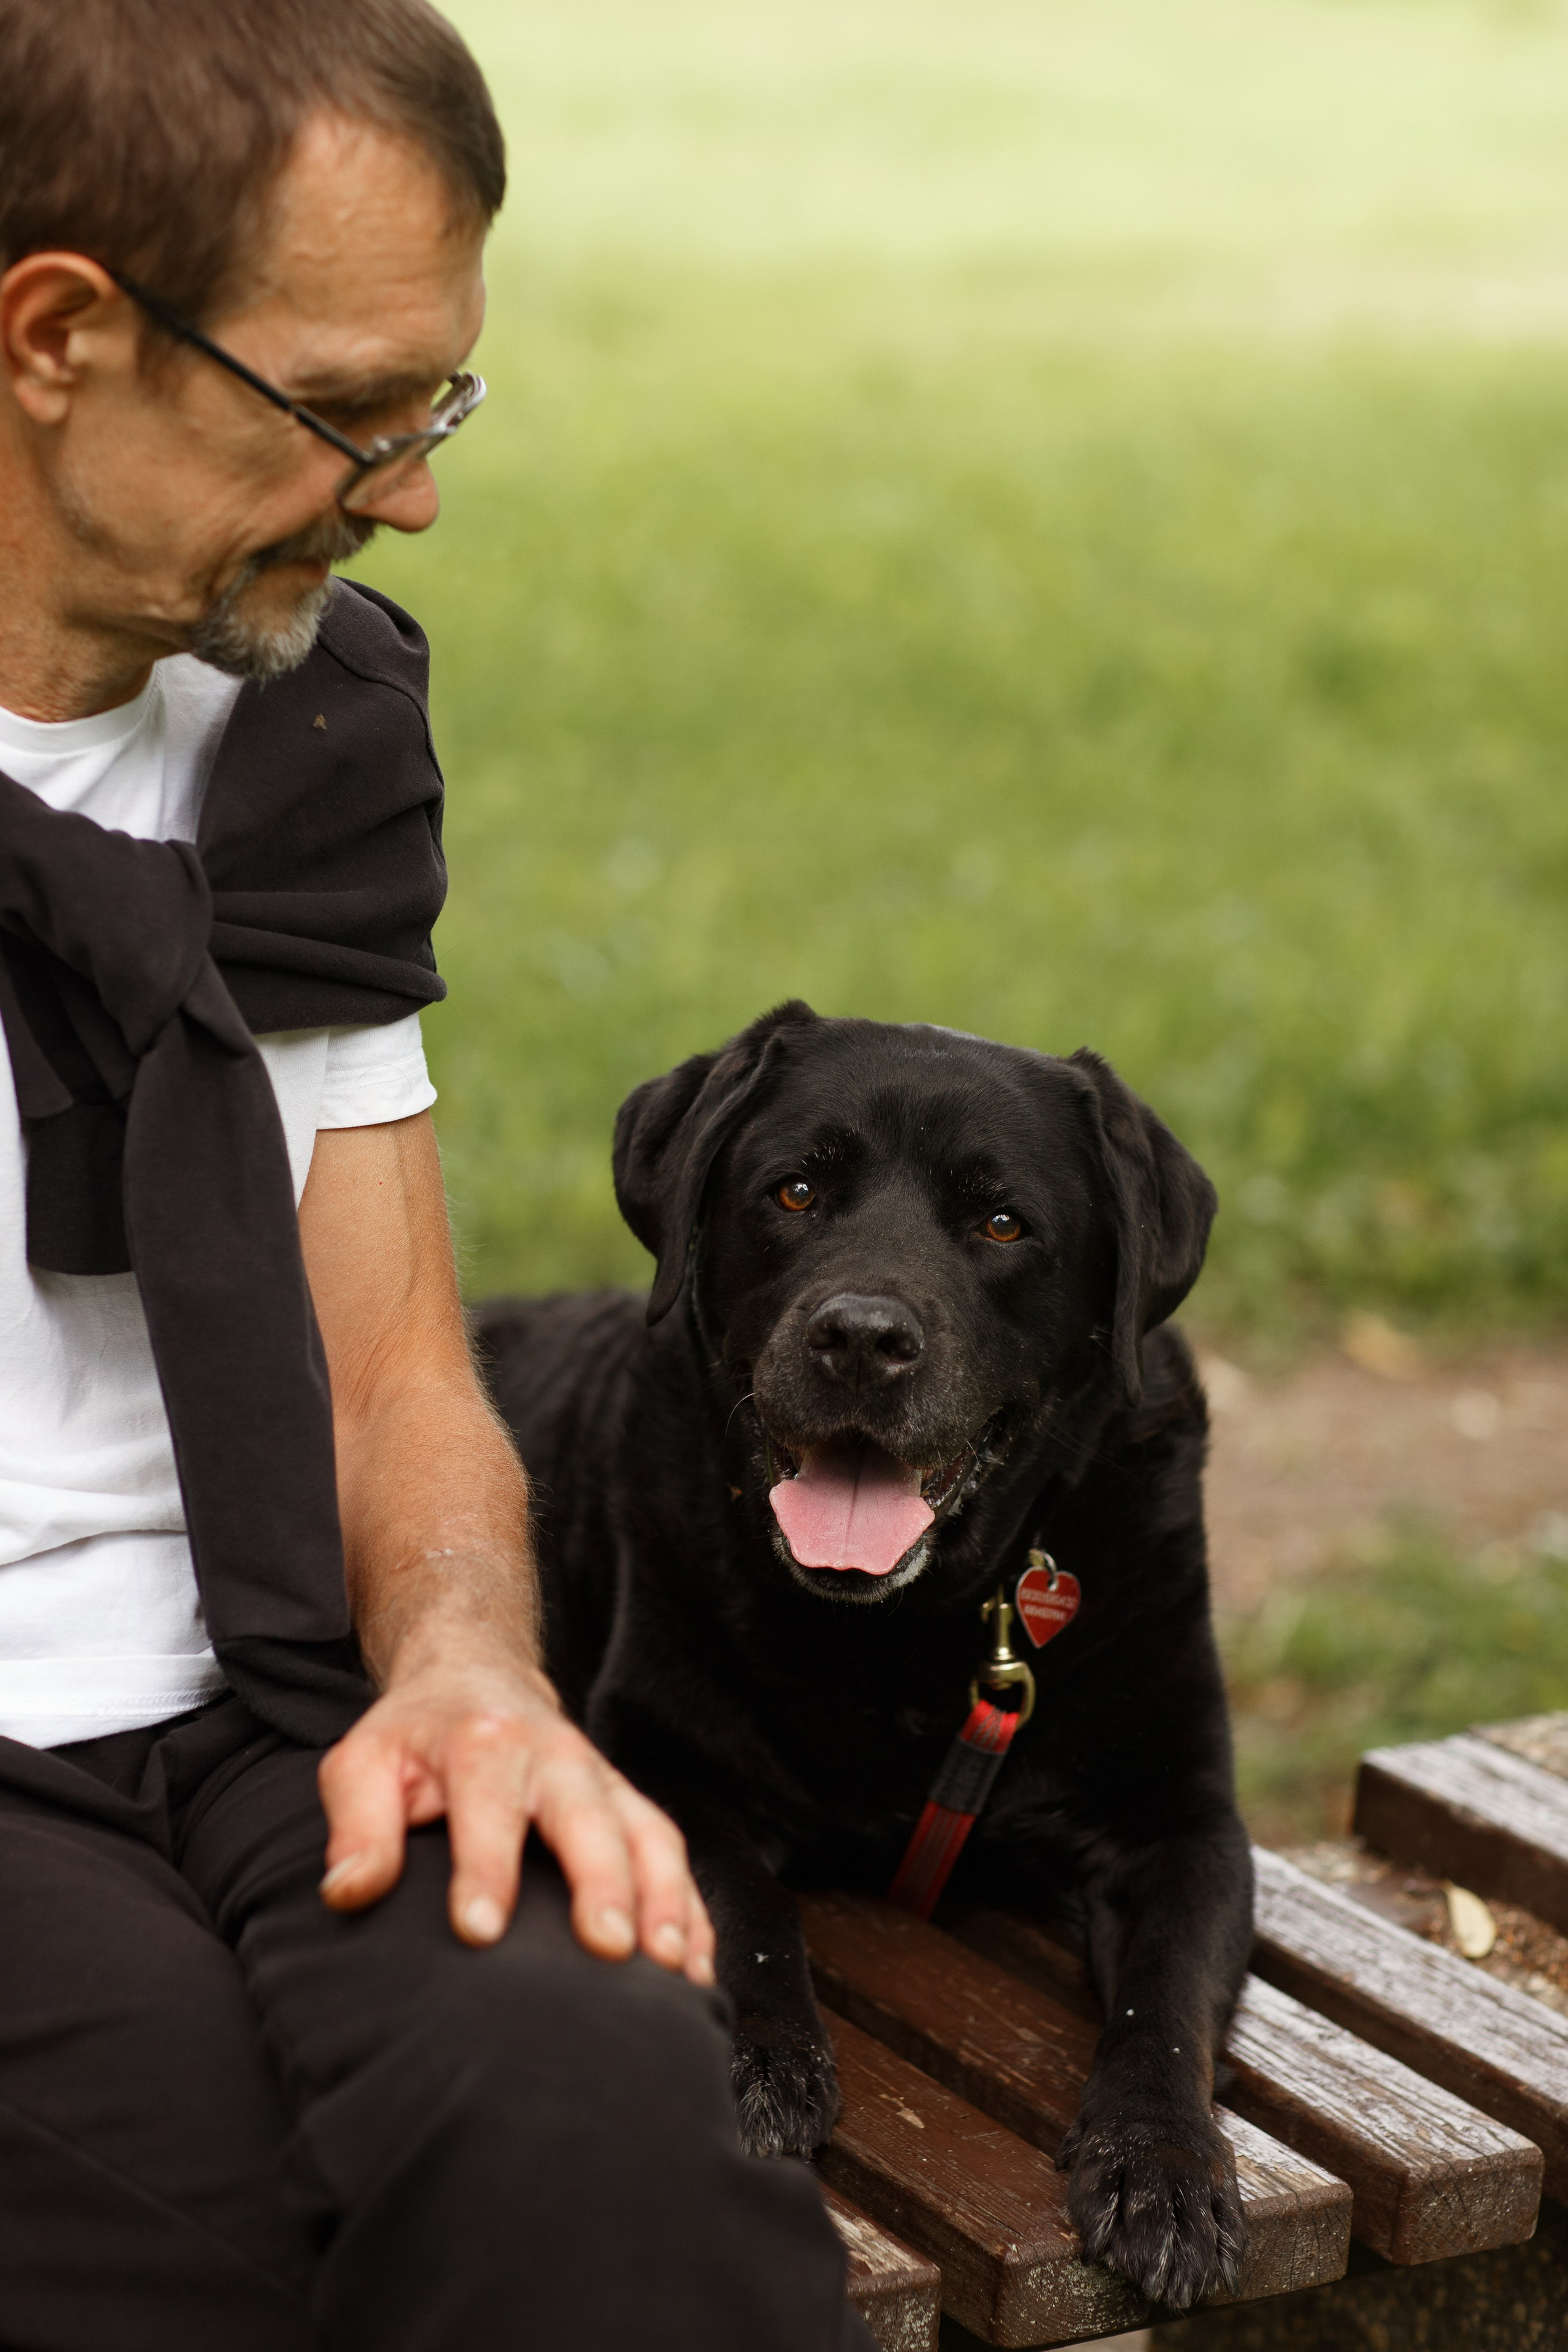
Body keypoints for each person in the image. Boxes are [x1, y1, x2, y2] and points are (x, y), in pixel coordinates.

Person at [0, 3, 875, 2345]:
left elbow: (393, 1377)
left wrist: (479, 1670)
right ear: (59, 333)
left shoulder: (297, 740)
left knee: (599, 2130)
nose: (411, 493)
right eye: (346, 410)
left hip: (283, 1692)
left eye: (439, 407)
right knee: (208, 2223)